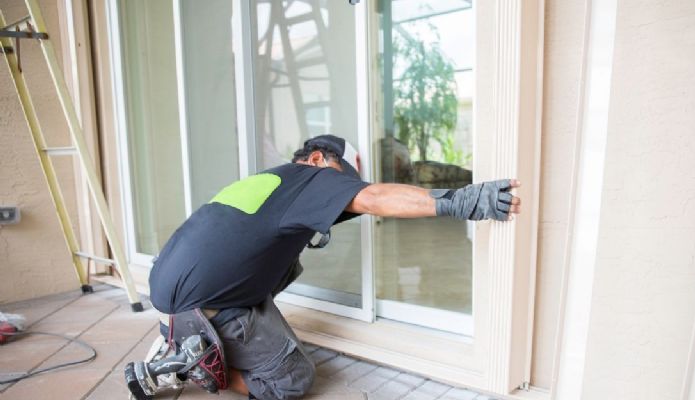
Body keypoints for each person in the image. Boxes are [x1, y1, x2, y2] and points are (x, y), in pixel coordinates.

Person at [148, 134, 521, 399]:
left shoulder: (272, 183)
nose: (343, 192)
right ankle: (191, 363)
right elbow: (373, 198)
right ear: (316, 160)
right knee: (291, 380)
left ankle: (185, 340)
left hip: (170, 302)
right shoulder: (312, 178)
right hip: (204, 308)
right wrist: (464, 201)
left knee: (284, 263)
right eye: (342, 179)